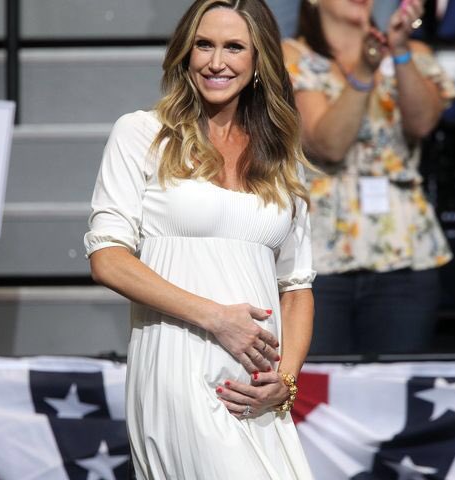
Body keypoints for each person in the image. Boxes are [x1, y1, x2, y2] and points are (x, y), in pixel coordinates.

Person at [84, 0, 315, 478]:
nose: (216, 62)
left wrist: (286, 381)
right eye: (204, 45)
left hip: (258, 391)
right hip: (177, 366)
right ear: (185, 54)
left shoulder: (281, 157)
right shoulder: (142, 133)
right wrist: (217, 318)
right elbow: (107, 258)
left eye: (234, 47)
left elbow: (296, 286)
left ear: (259, 60)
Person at [282, 0, 455, 354]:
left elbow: (422, 123)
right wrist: (364, 72)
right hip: (320, 259)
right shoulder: (293, 57)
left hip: (404, 252)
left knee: (396, 381)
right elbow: (328, 144)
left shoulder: (412, 53)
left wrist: (401, 50)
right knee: (318, 379)